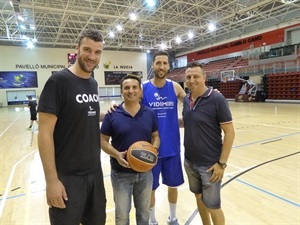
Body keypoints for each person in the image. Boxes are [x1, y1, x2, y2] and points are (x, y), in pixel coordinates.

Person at [37, 29, 106, 225]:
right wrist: (51, 181)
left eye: (97, 52)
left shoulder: (93, 83)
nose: (92, 56)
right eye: (87, 49)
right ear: (76, 49)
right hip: (67, 177)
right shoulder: (58, 81)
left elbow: (82, 116)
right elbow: (44, 132)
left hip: (94, 172)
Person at [100, 74, 160, 225]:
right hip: (121, 174)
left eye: (134, 87)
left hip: (145, 173)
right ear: (121, 91)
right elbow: (102, 141)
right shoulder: (112, 114)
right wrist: (116, 154)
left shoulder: (150, 113)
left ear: (140, 91)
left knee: (144, 213)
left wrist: (152, 151)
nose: (131, 91)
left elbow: (156, 136)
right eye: (126, 88)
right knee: (121, 216)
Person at [182, 62, 235, 225]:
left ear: (204, 78)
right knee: (198, 197)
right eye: (189, 77)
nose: (192, 80)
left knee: (213, 206)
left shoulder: (217, 99)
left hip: (210, 165)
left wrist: (222, 163)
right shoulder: (186, 99)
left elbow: (230, 133)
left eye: (196, 76)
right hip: (190, 161)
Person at [142, 50, 185, 225]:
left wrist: (212, 96)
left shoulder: (175, 87)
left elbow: (193, 104)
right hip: (151, 149)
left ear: (169, 66)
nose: (161, 66)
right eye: (158, 63)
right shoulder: (144, 88)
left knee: (173, 186)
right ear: (153, 65)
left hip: (172, 148)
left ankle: (173, 217)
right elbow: (129, 107)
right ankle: (152, 220)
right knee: (150, 189)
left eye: (165, 63)